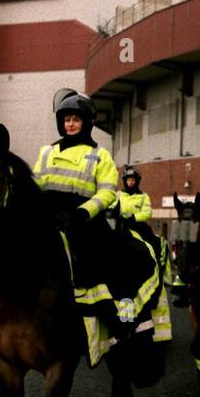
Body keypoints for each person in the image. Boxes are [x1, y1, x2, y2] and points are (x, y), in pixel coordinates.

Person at [33, 90, 153, 341]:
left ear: (87, 122)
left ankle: (124, 316)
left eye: (76, 119)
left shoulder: (100, 155)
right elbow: (36, 187)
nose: (71, 124)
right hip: (49, 219)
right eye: (67, 119)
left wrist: (82, 212)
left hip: (84, 220)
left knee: (121, 258)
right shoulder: (46, 152)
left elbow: (108, 193)